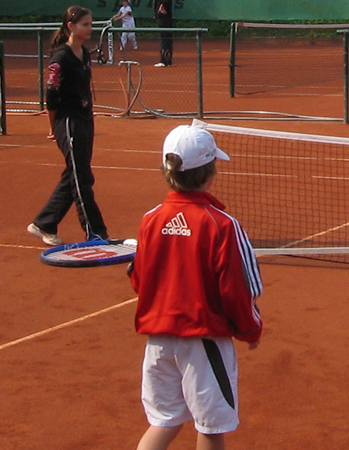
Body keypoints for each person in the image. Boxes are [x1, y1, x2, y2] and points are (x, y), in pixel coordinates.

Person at [130, 124, 262, 450]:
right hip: (204, 342)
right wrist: (251, 330)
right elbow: (237, 289)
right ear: (209, 172)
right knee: (211, 427)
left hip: (158, 341)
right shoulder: (222, 225)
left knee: (164, 422)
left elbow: (139, 278)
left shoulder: (150, 219)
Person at [28, 6, 110, 245]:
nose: (89, 28)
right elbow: (51, 97)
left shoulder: (84, 53)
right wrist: (53, 127)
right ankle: (95, 232)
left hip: (85, 120)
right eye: (85, 24)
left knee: (75, 174)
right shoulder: (60, 58)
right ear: (70, 27)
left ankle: (44, 223)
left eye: (90, 24)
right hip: (69, 122)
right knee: (82, 178)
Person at [154, 0, 174, 67]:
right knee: (167, 41)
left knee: (164, 41)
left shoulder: (163, 2)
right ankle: (167, 61)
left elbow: (164, 3)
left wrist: (161, 7)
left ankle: (164, 61)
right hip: (165, 19)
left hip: (163, 20)